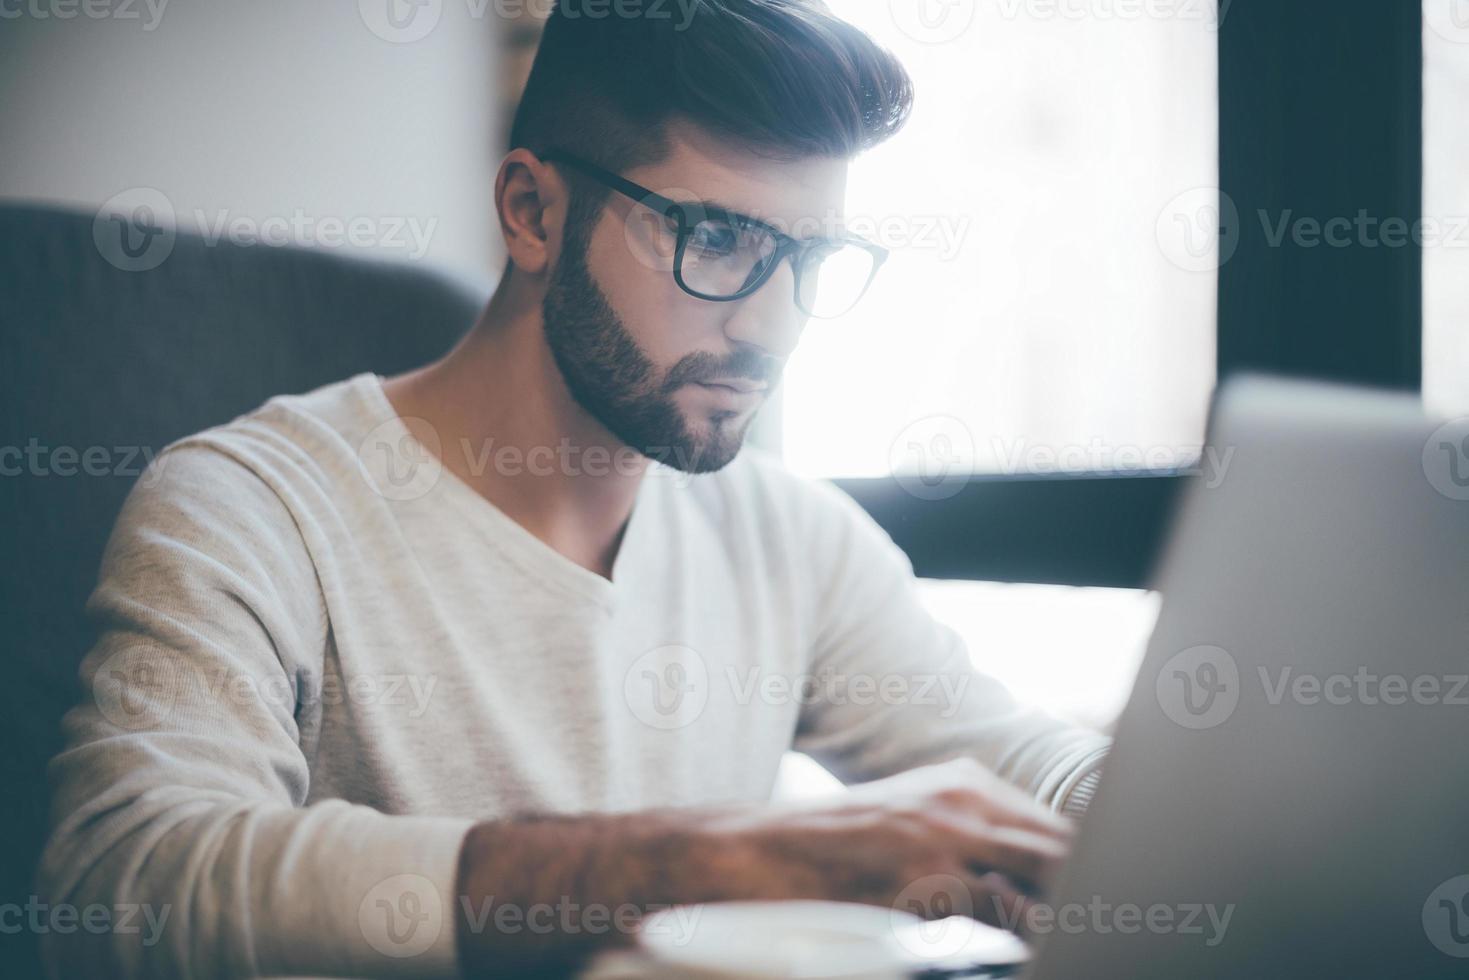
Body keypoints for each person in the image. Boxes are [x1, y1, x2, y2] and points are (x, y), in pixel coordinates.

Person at [39, 2, 1108, 976]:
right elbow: (122, 884)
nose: (771, 324)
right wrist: (734, 856)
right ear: (531, 211)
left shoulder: (792, 540)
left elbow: (1024, 769)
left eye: (809, 257)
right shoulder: (251, 505)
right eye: (717, 238)